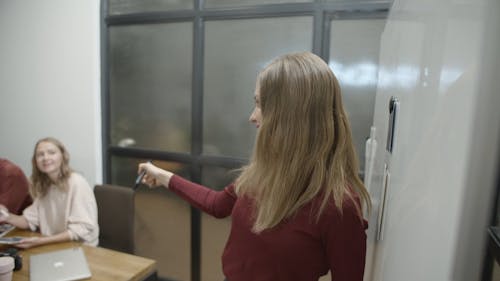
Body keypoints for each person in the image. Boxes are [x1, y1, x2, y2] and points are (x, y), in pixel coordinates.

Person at [138, 52, 371, 281]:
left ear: (291, 116)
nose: (252, 116)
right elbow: (217, 204)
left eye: (260, 104)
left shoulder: (339, 206)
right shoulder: (263, 174)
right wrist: (163, 176)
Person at [0, 137, 99, 248]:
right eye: (40, 155)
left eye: (51, 153)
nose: (45, 158)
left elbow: (79, 230)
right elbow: (29, 220)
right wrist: (7, 217)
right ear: (35, 161)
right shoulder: (45, 185)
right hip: (55, 245)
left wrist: (39, 242)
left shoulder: (77, 183)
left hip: (81, 248)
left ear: (63, 156)